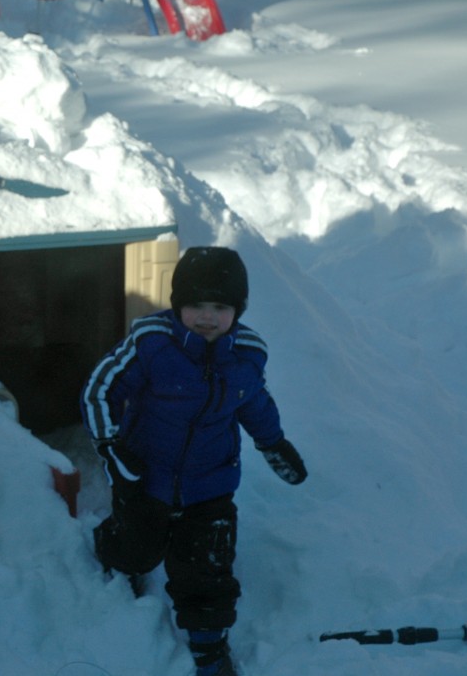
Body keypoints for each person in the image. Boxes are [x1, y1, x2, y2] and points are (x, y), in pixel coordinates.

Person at [80, 246, 307, 676]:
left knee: (208, 571)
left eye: (220, 307)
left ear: (236, 310)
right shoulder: (150, 343)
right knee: (137, 549)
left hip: (211, 484)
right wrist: (112, 448)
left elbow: (253, 401)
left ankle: (209, 649)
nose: (207, 317)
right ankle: (113, 551)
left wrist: (273, 443)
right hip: (144, 476)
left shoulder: (248, 354)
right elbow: (99, 389)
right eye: (195, 305)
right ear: (177, 305)